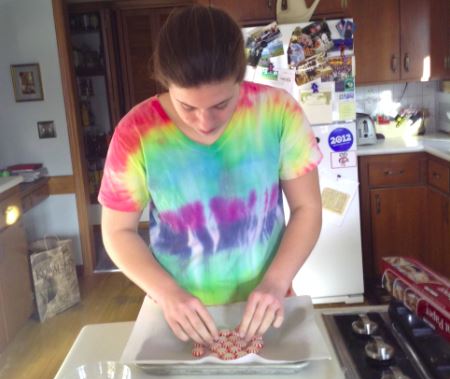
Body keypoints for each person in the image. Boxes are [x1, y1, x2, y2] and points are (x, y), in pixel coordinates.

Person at [99, 5, 322, 347]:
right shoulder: (136, 132)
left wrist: (277, 282)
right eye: (187, 107)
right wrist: (168, 293)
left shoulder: (279, 112)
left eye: (221, 104)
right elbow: (117, 231)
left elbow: (307, 208)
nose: (205, 123)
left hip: (268, 307)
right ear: (166, 84)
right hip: (179, 315)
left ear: (240, 79)